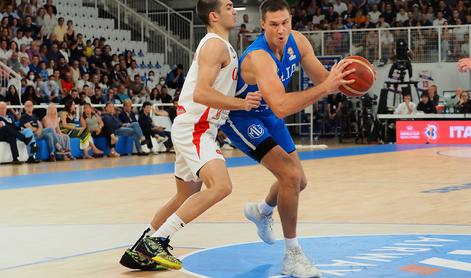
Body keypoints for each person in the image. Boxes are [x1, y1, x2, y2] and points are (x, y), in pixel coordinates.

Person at [119, 0, 261, 271]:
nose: (235, 10)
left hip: (196, 125)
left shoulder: (222, 45)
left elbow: (215, 90)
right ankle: (157, 241)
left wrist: (245, 96)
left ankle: (141, 248)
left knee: (184, 196)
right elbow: (202, 93)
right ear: (213, 15)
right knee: (221, 186)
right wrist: (242, 104)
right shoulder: (214, 45)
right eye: (229, 6)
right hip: (196, 126)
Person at [219, 1, 355, 277]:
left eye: (285, 23)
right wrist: (326, 87)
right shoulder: (258, 56)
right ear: (263, 25)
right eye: (274, 25)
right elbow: (282, 105)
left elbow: (323, 79)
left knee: (298, 181)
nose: (281, 30)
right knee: (291, 176)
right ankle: (292, 255)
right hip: (242, 115)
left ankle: (262, 210)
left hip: (269, 112)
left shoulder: (299, 42)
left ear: (291, 21)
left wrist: (346, 82)